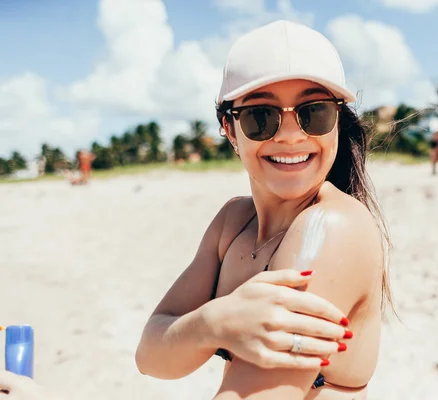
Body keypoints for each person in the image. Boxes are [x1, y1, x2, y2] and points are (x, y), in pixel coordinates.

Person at [135, 20, 392, 400]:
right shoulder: (233, 223)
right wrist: (213, 322)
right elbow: (151, 355)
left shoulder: (333, 227)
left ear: (338, 120)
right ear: (229, 129)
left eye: (314, 112)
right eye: (261, 116)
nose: (290, 134)